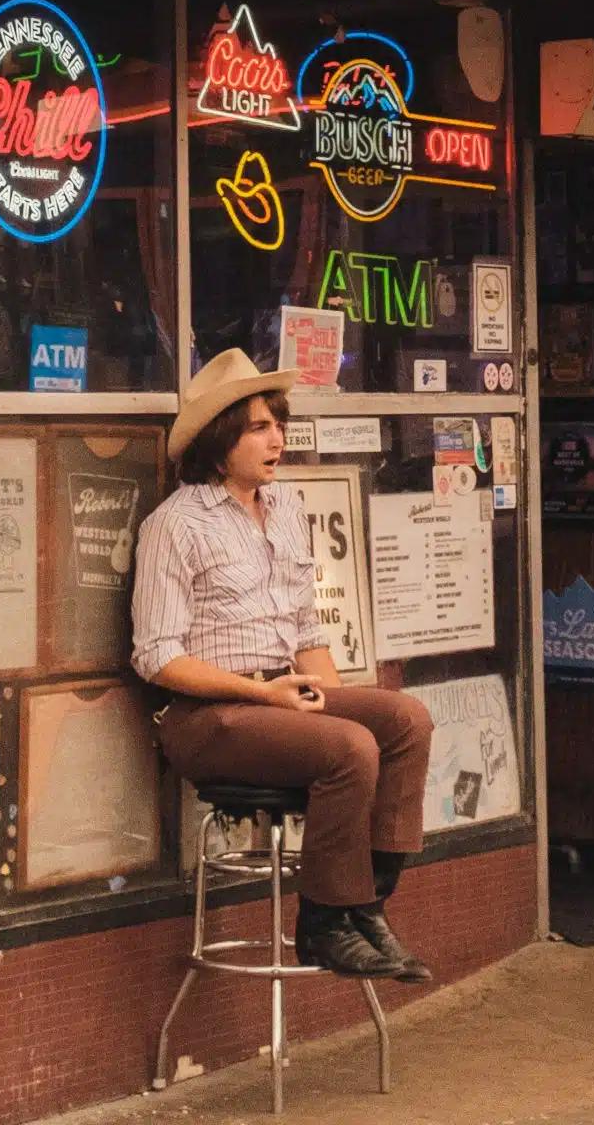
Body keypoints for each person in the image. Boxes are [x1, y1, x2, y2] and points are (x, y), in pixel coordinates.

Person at [133, 349, 434, 982]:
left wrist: (331, 700)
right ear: (220, 443)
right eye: (259, 427)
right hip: (206, 715)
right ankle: (324, 924)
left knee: (403, 719)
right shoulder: (176, 525)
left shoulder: (288, 509)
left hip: (279, 694)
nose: (278, 439)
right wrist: (267, 697)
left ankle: (368, 907)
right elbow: (157, 656)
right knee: (349, 747)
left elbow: (304, 628)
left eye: (279, 423)